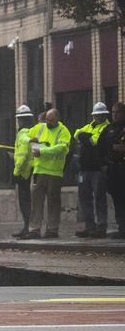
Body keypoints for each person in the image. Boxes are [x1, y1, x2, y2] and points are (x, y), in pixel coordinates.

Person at [26, 108, 71, 239]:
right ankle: (34, 230)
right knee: (36, 202)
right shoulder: (40, 128)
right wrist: (29, 140)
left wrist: (43, 151)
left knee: (54, 203)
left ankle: (52, 229)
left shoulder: (63, 131)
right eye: (47, 119)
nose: (48, 122)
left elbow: (62, 148)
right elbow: (24, 135)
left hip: (54, 173)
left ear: (57, 119)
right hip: (39, 171)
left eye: (51, 120)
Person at [73, 102, 112, 238]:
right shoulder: (89, 126)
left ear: (104, 115)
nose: (97, 117)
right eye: (96, 115)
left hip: (97, 169)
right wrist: (86, 137)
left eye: (100, 115)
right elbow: (77, 134)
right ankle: (90, 227)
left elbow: (95, 141)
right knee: (85, 199)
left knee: (99, 198)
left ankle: (101, 227)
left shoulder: (107, 128)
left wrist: (86, 137)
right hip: (84, 168)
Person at [98, 102, 125, 238]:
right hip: (113, 170)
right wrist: (103, 164)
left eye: (118, 112)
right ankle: (122, 228)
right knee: (117, 200)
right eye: (113, 112)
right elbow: (100, 147)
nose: (115, 115)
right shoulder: (108, 129)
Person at [11, 105, 36, 238]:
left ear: (19, 120)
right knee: (30, 202)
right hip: (33, 171)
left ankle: (27, 228)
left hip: (24, 174)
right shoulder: (33, 131)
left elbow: (22, 155)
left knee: (25, 202)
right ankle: (28, 227)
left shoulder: (22, 133)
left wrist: (16, 173)